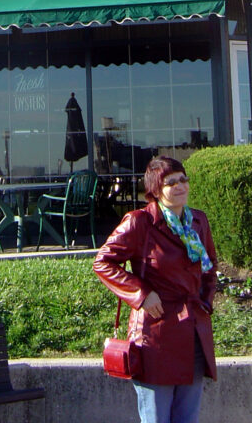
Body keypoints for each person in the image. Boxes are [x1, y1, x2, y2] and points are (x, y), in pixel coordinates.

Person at [93, 156, 217, 423]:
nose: (180, 186)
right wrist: (142, 294)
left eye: (183, 179)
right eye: (171, 182)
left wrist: (206, 303)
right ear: (156, 189)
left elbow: (209, 267)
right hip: (155, 336)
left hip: (193, 333)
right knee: (156, 418)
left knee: (187, 418)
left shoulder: (198, 221)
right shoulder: (140, 222)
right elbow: (103, 262)